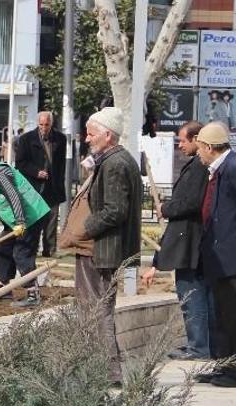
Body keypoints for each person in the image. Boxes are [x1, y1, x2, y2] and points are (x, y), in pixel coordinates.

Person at [194, 122, 236, 388]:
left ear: (209, 147)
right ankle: (224, 366)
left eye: (199, 147)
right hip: (221, 257)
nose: (197, 153)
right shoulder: (221, 169)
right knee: (223, 316)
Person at [78, 107, 142, 384]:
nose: (87, 138)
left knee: (99, 310)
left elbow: (116, 210)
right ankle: (103, 370)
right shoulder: (114, 159)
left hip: (107, 250)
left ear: (107, 135)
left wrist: (87, 227)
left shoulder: (116, 164)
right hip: (110, 248)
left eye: (91, 134)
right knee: (98, 309)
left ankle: (109, 372)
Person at [140, 121, 211, 361]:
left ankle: (199, 347)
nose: (180, 145)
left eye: (183, 141)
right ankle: (196, 343)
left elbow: (192, 202)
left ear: (196, 139)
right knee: (190, 293)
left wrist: (166, 208)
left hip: (191, 242)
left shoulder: (200, 167)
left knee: (192, 295)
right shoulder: (195, 165)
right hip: (186, 240)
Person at [0, 145, 50, 306]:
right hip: (16, 221)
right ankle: (4, 289)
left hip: (31, 216)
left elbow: (13, 195)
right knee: (1, 248)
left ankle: (33, 295)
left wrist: (20, 222)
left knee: (22, 252)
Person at [14, 111, 67, 257]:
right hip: (34, 186)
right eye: (41, 124)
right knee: (35, 218)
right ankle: (32, 248)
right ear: (38, 124)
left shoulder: (60, 139)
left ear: (51, 124)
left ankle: (49, 250)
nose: (44, 128)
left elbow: (61, 164)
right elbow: (20, 163)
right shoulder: (26, 139)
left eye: (47, 125)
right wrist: (36, 172)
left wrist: (60, 182)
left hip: (53, 186)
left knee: (51, 219)